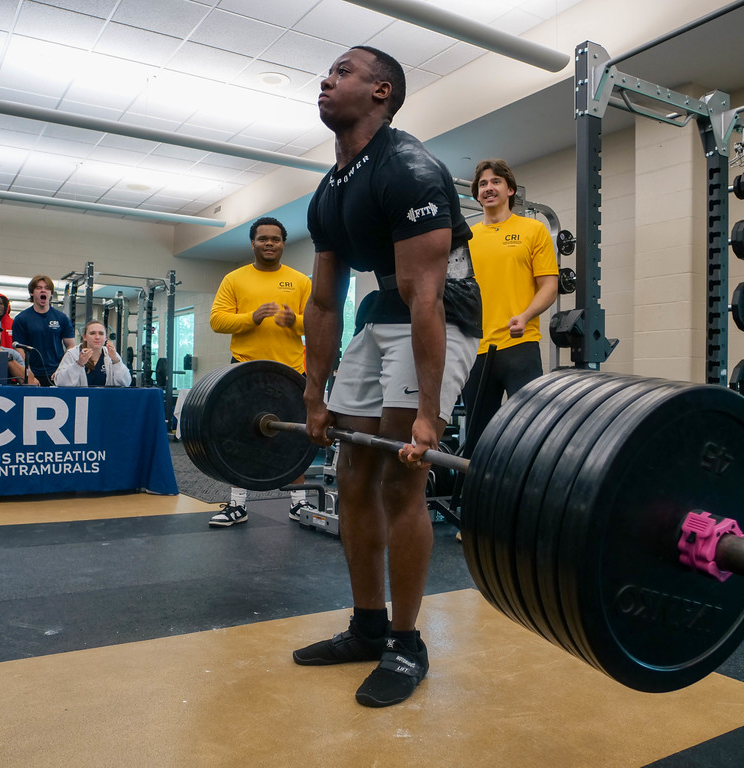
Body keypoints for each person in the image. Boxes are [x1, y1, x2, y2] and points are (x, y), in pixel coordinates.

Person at [294, 46, 482, 708]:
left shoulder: (408, 167)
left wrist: (429, 414)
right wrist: (314, 396)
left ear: (381, 92)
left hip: (440, 316)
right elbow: (322, 303)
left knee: (403, 476)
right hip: (379, 317)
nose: (326, 78)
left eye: (341, 71)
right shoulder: (330, 190)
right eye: (328, 70)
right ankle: (367, 627)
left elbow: (424, 296)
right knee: (351, 475)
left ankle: (407, 642)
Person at [208, 216, 316, 527]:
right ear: (253, 243)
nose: (269, 243)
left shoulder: (300, 281)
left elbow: (316, 322)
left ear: (283, 243)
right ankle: (237, 506)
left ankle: (299, 505)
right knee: (240, 438)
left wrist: (293, 321)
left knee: (297, 438)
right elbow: (217, 320)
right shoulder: (234, 279)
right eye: (263, 238)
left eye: (275, 239)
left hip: (289, 372)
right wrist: (251, 318)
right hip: (245, 372)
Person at [461, 159, 559, 453]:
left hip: (520, 344)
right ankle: (476, 498)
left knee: (528, 432)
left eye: (496, 182)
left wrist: (526, 315)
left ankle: (521, 498)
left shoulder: (533, 230)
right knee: (478, 438)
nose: (489, 188)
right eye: (482, 184)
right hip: (475, 350)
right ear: (477, 196)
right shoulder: (466, 238)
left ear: (510, 190)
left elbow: (549, 286)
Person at [12, 275, 76, 386]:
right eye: (38, 288)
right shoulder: (21, 319)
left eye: (47, 288)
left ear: (51, 293)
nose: (43, 290)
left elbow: (71, 346)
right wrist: (29, 374)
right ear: (32, 293)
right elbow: (20, 349)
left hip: (56, 373)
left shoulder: (61, 318)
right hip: (33, 374)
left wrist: (62, 368)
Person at [53, 320, 132, 387]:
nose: (97, 337)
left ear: (106, 338)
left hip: (104, 400)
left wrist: (116, 361)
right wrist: (78, 364)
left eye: (101, 334)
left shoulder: (111, 354)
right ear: (84, 337)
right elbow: (60, 382)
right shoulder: (73, 354)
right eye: (92, 333)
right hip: (79, 401)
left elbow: (126, 382)